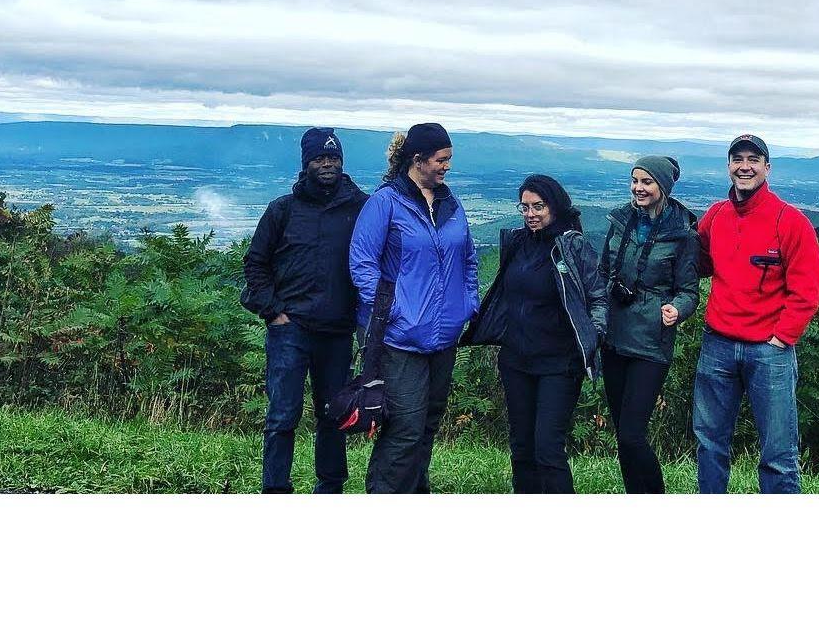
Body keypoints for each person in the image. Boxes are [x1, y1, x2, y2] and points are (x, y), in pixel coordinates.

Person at [348, 122, 479, 493]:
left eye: (448, 160)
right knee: (404, 428)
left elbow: (468, 259)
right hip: (399, 337)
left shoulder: (451, 204)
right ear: (417, 160)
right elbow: (362, 264)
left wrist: (467, 304)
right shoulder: (386, 203)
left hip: (445, 334)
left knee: (427, 424)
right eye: (441, 160)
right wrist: (392, 313)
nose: (447, 167)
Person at [692, 134, 819, 494]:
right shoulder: (716, 216)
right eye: (737, 159)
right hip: (717, 343)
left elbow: (808, 289)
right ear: (729, 166)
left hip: (769, 351)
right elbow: (699, 263)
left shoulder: (789, 221)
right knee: (709, 443)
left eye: (753, 159)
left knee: (778, 452)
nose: (745, 166)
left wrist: (782, 337)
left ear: (767, 167)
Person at [240, 127, 368, 493]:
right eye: (320, 158)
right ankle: (276, 490)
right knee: (282, 415)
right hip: (290, 329)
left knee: (334, 414)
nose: (327, 164)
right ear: (306, 163)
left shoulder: (360, 207)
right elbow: (255, 264)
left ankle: (330, 488)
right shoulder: (283, 210)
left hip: (337, 330)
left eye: (333, 158)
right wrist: (274, 312)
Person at [461, 174, 607, 494]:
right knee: (522, 447)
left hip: (558, 363)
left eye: (538, 206)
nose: (530, 214)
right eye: (525, 207)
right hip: (515, 360)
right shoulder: (516, 242)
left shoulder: (571, 245)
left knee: (548, 449)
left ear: (554, 206)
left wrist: (593, 335)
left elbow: (598, 296)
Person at [600, 155, 700, 493]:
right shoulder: (619, 221)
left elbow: (689, 291)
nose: (638, 188)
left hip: (651, 342)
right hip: (614, 335)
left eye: (646, 182)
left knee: (632, 434)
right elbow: (602, 273)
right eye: (635, 181)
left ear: (663, 187)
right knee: (623, 434)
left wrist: (677, 309)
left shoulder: (682, 234)